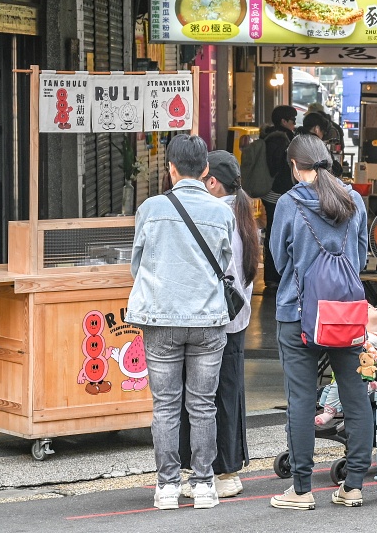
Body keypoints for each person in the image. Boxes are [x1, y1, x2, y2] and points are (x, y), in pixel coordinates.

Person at [126, 135, 235, 511]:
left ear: (171, 168)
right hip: (207, 320)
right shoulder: (223, 212)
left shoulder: (150, 209)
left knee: (166, 407)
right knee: (203, 405)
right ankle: (204, 485)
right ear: (206, 170)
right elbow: (227, 267)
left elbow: (137, 266)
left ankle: (167, 487)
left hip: (160, 319)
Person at [268, 134, 373, 510]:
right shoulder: (353, 200)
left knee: (302, 399)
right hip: (345, 315)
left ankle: (300, 489)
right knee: (355, 394)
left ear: (294, 165)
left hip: (298, 315)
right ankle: (354, 485)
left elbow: (280, 262)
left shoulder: (288, 203)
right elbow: (359, 259)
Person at [179, 151, 258, 499]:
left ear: (212, 181)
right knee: (229, 392)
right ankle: (227, 468)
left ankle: (223, 471)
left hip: (216, 319)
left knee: (208, 395)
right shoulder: (241, 212)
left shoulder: (217, 214)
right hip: (236, 318)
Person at [262, 105, 297, 288]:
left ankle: (273, 275)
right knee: (277, 234)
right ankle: (274, 276)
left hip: (271, 193)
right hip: (277, 193)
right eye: (293, 120)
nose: (294, 124)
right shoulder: (281, 139)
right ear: (284, 121)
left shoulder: (269, 136)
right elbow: (277, 167)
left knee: (274, 233)